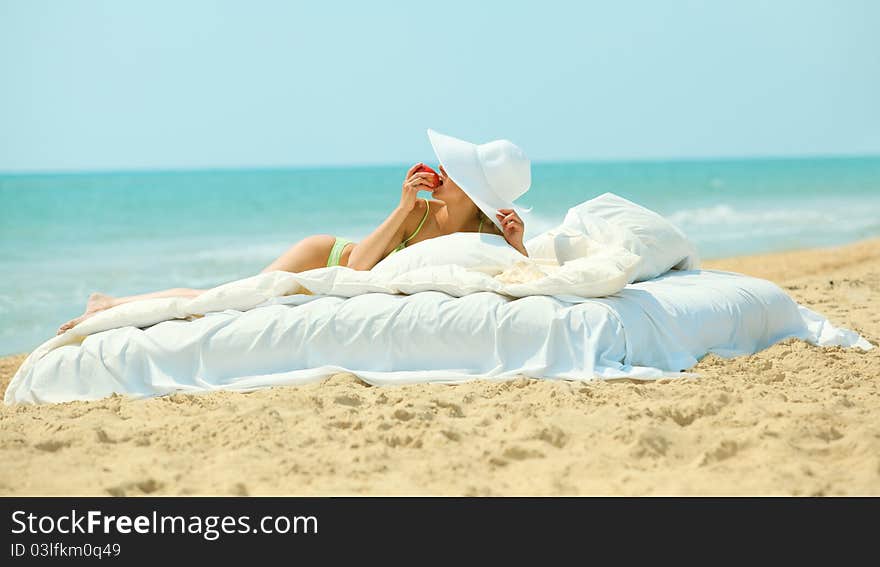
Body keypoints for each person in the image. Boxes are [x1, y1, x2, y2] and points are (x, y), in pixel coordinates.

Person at [57, 129, 532, 335]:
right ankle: (111, 304)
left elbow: (513, 277)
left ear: (472, 191)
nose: (442, 169)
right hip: (324, 257)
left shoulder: (489, 233)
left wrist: (517, 247)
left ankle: (114, 303)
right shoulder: (419, 212)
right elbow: (361, 266)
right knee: (221, 298)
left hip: (340, 267)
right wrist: (403, 205)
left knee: (223, 302)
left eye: (455, 170)